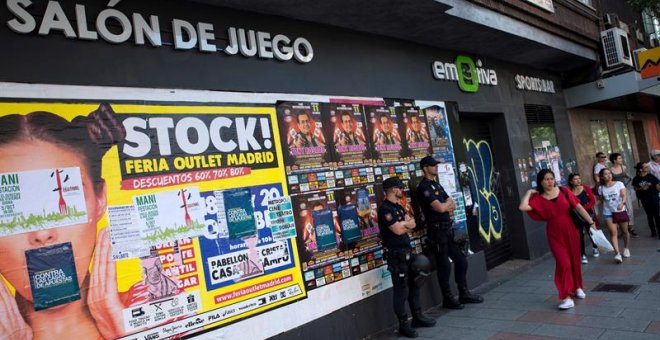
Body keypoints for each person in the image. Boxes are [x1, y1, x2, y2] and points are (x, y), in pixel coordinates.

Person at [0, 104, 134, 339]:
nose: (42, 232)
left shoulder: (144, 309)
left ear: (100, 198)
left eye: (62, 200)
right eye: (11, 209)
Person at [519, 169, 595, 310]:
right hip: (554, 234)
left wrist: (591, 222)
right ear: (540, 182)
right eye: (546, 179)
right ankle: (567, 297)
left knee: (574, 260)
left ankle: (578, 287)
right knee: (563, 263)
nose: (550, 181)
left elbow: (578, 207)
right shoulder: (538, 198)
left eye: (551, 178)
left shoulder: (564, 191)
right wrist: (529, 192)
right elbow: (522, 206)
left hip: (572, 230)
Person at [415, 156, 483, 310]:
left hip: (447, 229)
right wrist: (444, 206)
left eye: (436, 164)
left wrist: (444, 206)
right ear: (425, 168)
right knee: (444, 265)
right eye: (433, 165)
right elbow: (440, 208)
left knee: (461, 260)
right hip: (437, 231)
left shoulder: (436, 185)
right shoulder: (424, 187)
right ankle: (448, 298)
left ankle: (463, 293)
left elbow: (450, 203)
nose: (436, 167)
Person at [377, 177, 435, 338]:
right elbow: (397, 230)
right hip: (396, 256)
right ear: (392, 189)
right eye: (399, 187)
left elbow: (413, 223)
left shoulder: (399, 207)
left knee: (414, 286)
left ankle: (418, 317)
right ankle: (404, 325)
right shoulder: (385, 210)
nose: (401, 189)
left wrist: (405, 225)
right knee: (401, 290)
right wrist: (405, 225)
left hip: (407, 253)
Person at [597, 168, 631, 263]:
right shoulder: (601, 188)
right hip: (608, 212)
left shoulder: (619, 184)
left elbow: (624, 195)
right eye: (606, 174)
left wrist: (623, 203)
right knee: (613, 232)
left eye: (610, 173)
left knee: (625, 231)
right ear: (602, 177)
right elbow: (602, 200)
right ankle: (617, 254)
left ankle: (626, 248)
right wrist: (594, 202)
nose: (609, 175)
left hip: (620, 211)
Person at [567, 173, 599, 262]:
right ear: (571, 181)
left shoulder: (586, 188)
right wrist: (577, 211)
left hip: (589, 214)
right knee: (580, 235)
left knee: (591, 232)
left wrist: (582, 209)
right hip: (577, 217)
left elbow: (592, 201)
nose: (578, 180)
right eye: (575, 179)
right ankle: (583, 254)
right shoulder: (569, 192)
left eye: (579, 178)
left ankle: (595, 247)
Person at [609, 153, 637, 237]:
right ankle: (622, 229)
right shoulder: (610, 170)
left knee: (630, 210)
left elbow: (626, 175)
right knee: (618, 210)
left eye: (621, 158)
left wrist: (630, 178)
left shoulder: (623, 167)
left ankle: (630, 228)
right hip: (615, 193)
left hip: (624, 190)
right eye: (619, 158)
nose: (621, 160)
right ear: (615, 160)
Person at [632, 162, 660, 238]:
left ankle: (659, 231)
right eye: (646, 167)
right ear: (641, 169)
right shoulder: (636, 179)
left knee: (657, 215)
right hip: (644, 199)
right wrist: (641, 188)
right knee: (649, 216)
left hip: (654, 198)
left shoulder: (651, 177)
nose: (648, 168)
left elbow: (658, 187)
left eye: (647, 167)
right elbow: (635, 188)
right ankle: (653, 231)